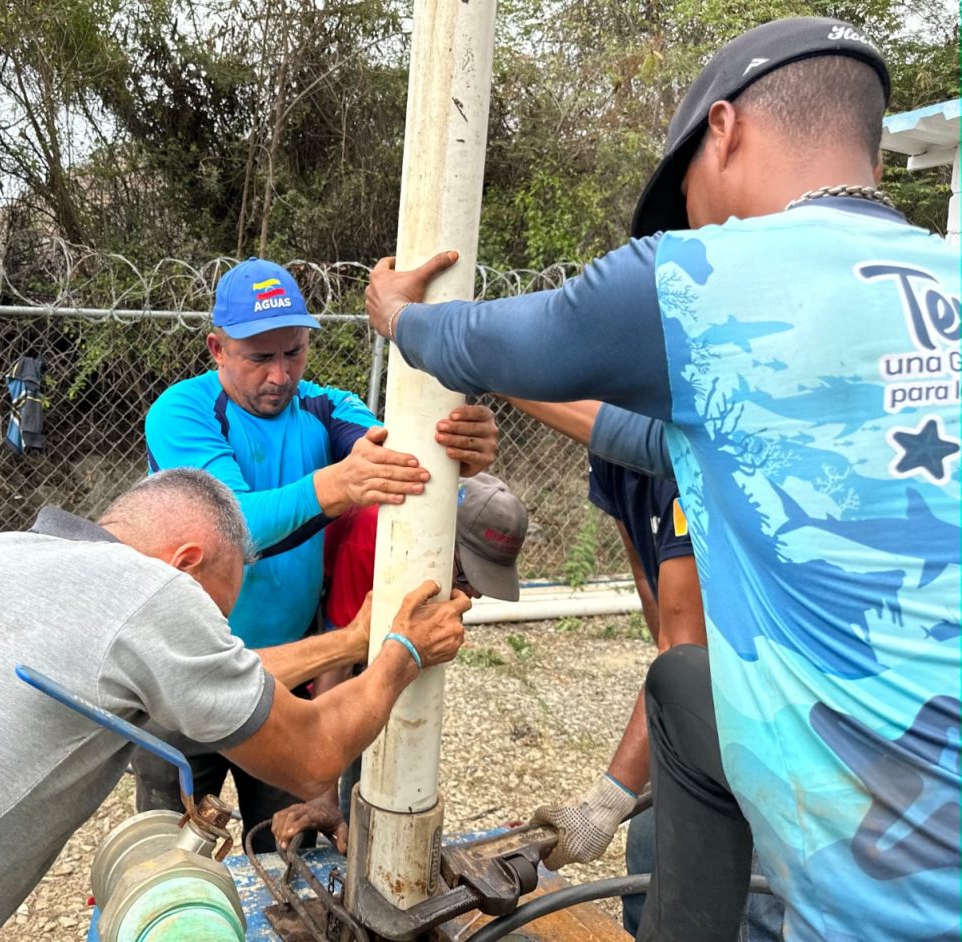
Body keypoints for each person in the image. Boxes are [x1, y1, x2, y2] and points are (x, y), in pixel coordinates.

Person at [363, 17, 960, 941]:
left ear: (724, 128)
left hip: (893, 890)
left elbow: (483, 339)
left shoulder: (708, 276)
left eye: (686, 193)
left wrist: (399, 316)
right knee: (685, 687)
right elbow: (660, 439)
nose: (691, 218)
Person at [0, 468, 469, 942]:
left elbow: (211, 678)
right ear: (186, 564)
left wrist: (350, 643)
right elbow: (312, 756)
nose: (212, 630)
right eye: (215, 617)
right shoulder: (154, 590)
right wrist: (406, 652)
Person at [136, 257, 499, 849]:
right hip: (183, 673)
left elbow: (400, 459)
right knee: (167, 857)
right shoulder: (183, 412)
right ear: (217, 349)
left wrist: (458, 453)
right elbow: (234, 532)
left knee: (282, 851)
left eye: (294, 353)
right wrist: (338, 485)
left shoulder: (327, 408)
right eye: (260, 357)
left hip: (287, 677)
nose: (280, 375)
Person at [504, 399, 781, 942]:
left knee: (759, 898)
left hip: (776, 696)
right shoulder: (610, 456)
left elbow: (685, 644)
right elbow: (655, 603)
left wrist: (604, 803)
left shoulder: (689, 456)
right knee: (650, 848)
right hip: (704, 682)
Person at [272, 471, 529, 851]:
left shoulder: (435, 553)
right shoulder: (378, 540)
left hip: (363, 626)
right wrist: (323, 796)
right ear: (440, 539)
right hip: (310, 621)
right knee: (327, 754)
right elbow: (338, 658)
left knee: (380, 728)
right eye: (467, 575)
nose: (472, 593)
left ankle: (362, 828)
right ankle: (341, 824)